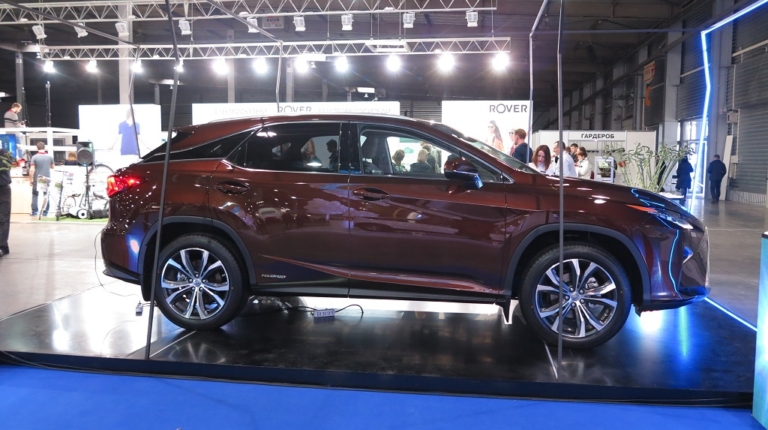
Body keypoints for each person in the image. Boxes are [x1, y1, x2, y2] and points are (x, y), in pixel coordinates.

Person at [30, 142, 54, 217]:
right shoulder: (50, 157)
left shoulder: (34, 157)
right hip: (46, 178)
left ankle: (34, 211)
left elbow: (31, 170)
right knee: (46, 195)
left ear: (37, 148)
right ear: (44, 147)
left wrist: (31, 179)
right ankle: (45, 212)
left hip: (37, 178)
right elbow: (53, 167)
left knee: (35, 195)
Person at [0, 146, 12, 257]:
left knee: (3, 218)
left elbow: (10, 163)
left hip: (3, 188)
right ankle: (3, 246)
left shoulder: (4, 153)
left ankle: (2, 246)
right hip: (4, 188)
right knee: (3, 218)